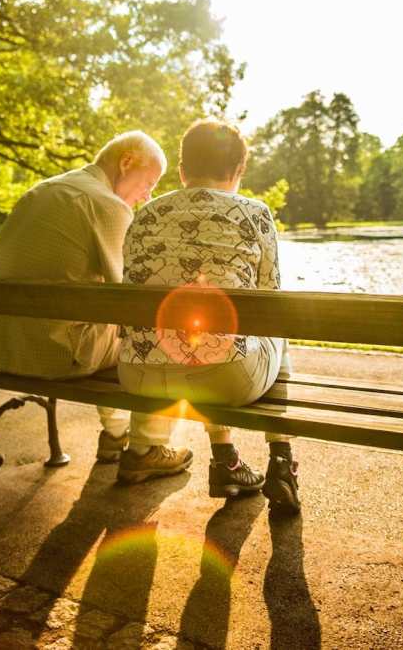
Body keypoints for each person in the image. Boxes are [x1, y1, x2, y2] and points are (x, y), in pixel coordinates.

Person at [0, 131, 193, 474]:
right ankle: (147, 448)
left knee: (104, 328)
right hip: (53, 354)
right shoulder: (108, 205)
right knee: (159, 340)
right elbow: (130, 297)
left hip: (1, 345)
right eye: (148, 181)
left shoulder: (44, 189)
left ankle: (115, 434)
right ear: (126, 162)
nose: (148, 194)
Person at [118, 118, 300, 514]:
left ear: (182, 171)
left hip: (139, 373)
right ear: (238, 171)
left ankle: (226, 458)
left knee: (198, 339)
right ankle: (282, 463)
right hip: (225, 381)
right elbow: (272, 302)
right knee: (277, 330)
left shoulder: (144, 216)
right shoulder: (255, 213)